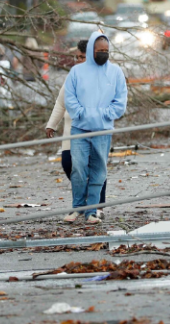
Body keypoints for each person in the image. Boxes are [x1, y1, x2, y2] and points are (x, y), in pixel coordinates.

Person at [63, 31, 127, 224]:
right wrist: (83, 114)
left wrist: (103, 115)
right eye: (100, 50)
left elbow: (120, 101)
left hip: (103, 130)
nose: (103, 53)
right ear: (91, 50)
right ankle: (77, 208)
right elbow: (70, 99)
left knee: (99, 170)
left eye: (106, 50)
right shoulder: (76, 72)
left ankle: (92, 211)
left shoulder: (115, 72)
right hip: (80, 129)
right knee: (79, 169)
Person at [45, 40, 108, 219]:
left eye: (83, 57)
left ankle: (97, 208)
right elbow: (60, 102)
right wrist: (51, 124)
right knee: (69, 164)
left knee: (96, 168)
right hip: (70, 131)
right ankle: (81, 203)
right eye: (77, 57)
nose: (79, 60)